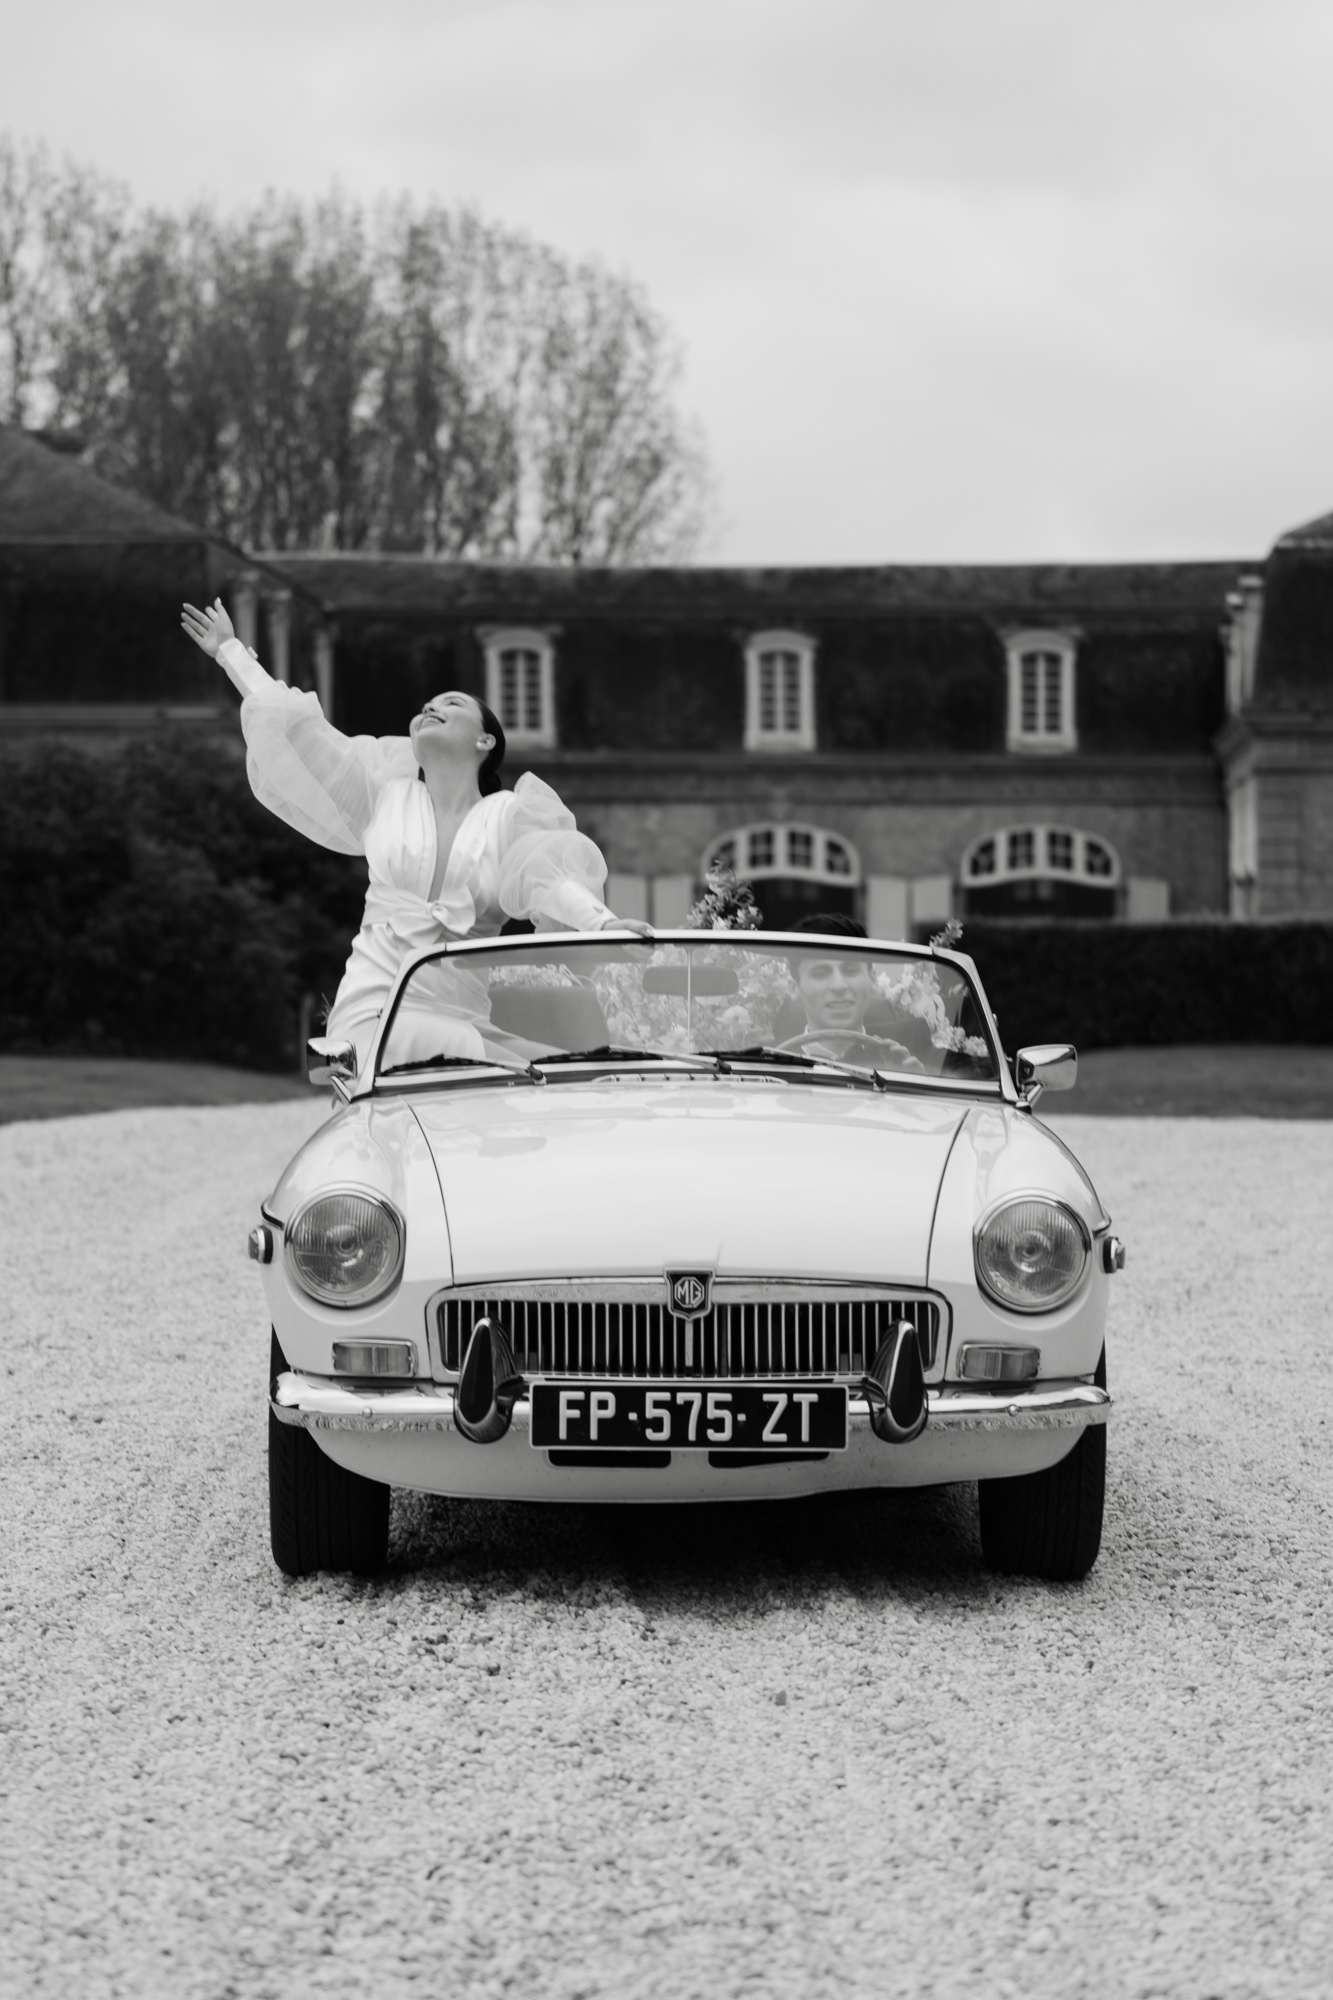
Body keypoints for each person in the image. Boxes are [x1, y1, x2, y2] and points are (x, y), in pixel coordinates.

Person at [180, 597, 651, 1071]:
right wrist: (230, 651)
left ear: (484, 741)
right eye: (427, 705)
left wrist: (603, 924)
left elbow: (549, 878)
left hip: (462, 1011)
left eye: (451, 703)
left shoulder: (511, 816)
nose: (432, 707)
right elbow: (302, 732)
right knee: (550, 1071)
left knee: (571, 1073)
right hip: (375, 1008)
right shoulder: (384, 793)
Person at [785, 914, 925, 1072]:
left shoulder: (901, 1061)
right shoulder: (768, 1064)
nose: (839, 986)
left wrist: (912, 1084)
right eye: (821, 973)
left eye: (850, 970)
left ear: (872, 977)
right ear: (794, 987)